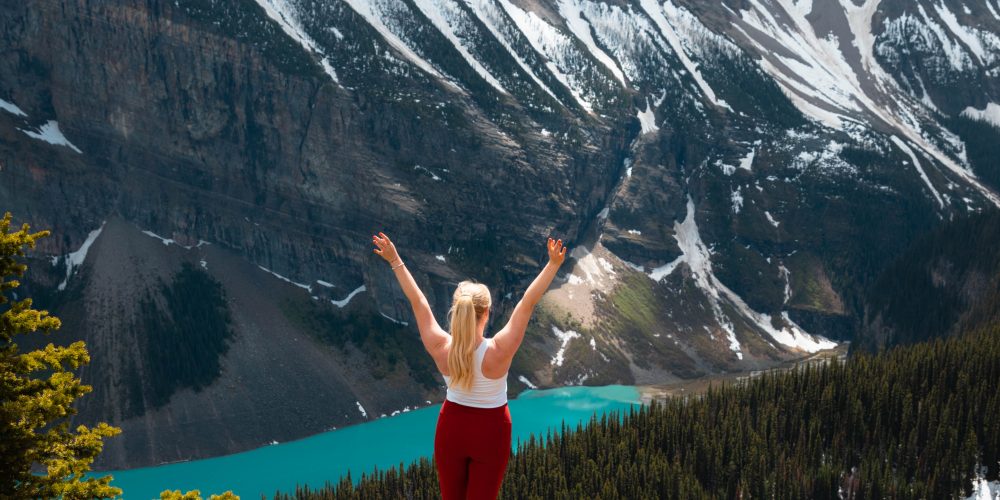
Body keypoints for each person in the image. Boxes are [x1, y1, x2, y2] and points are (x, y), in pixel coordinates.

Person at [371, 232, 567, 499]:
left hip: (451, 428)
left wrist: (395, 260)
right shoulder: (499, 351)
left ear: (457, 311)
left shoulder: (441, 348)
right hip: (492, 431)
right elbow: (527, 303)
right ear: (486, 313)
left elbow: (418, 302)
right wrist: (553, 264)